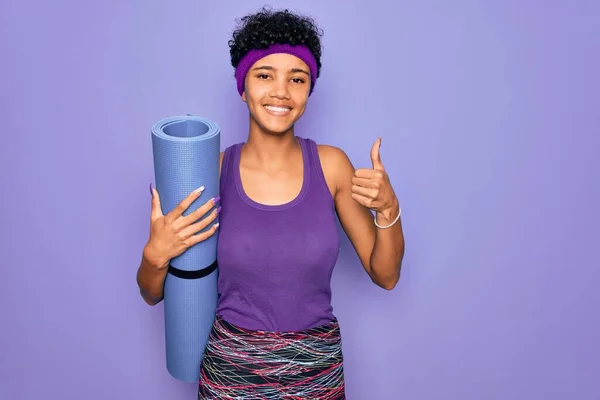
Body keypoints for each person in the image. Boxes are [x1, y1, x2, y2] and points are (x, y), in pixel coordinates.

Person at [136, 7, 405, 399]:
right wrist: (155, 255)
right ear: (242, 88)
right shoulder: (212, 171)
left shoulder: (332, 166)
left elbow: (387, 275)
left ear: (308, 91)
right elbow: (151, 293)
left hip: (316, 371)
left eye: (297, 79)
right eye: (265, 75)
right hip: (231, 373)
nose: (281, 91)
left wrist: (388, 208)